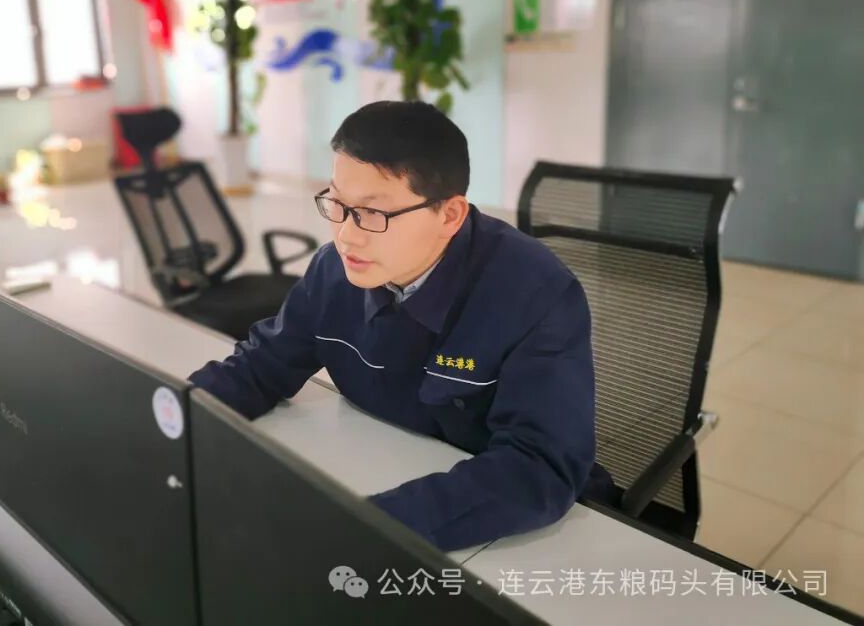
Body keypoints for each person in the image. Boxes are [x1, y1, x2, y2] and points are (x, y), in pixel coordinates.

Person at [189, 100, 613, 551]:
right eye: (338, 203)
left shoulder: (536, 293)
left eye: (373, 214)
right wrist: (175, 415)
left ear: (449, 215)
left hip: (508, 530)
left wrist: (368, 526)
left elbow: (538, 467)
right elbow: (262, 365)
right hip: (382, 464)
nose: (346, 235)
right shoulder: (335, 270)